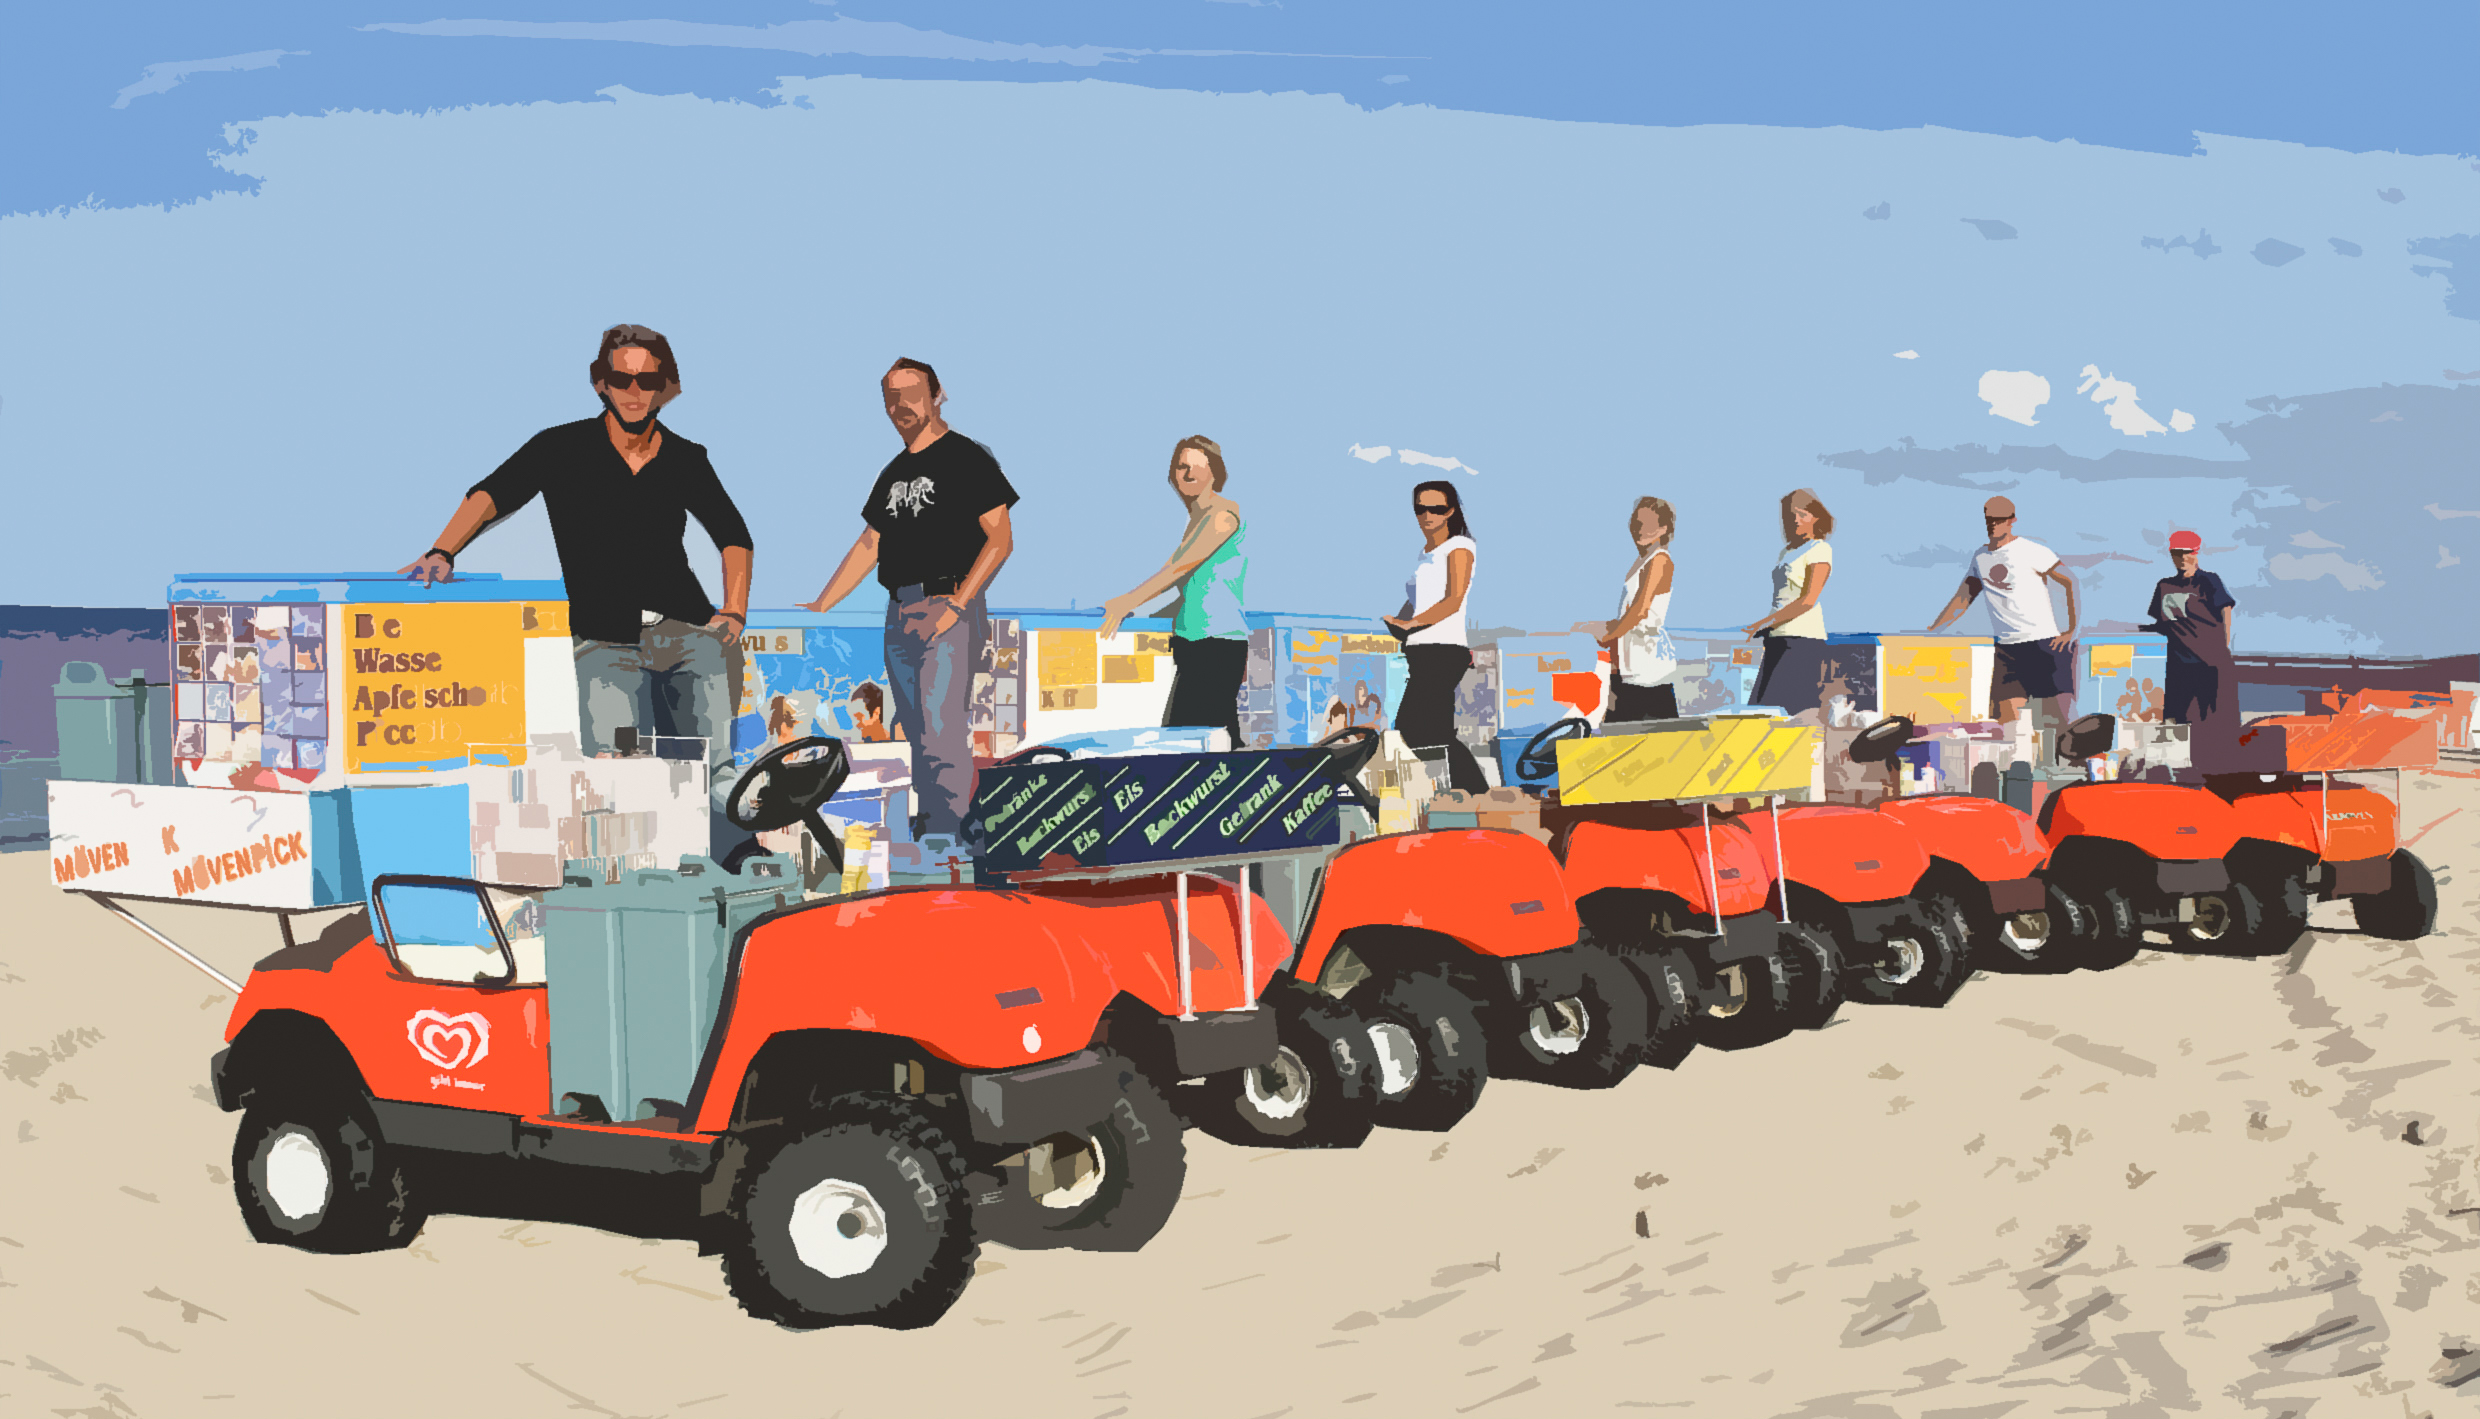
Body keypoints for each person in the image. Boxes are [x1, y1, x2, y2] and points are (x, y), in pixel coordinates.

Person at [402, 323, 752, 853]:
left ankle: (739, 859)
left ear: (664, 387)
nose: (634, 391)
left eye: (647, 380)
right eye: (622, 378)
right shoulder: (560, 447)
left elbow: (733, 536)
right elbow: (492, 495)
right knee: (618, 776)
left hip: (689, 635)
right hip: (606, 642)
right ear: (600, 384)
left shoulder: (687, 457)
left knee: (713, 769)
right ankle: (640, 876)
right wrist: (442, 551)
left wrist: (734, 611)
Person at [801, 359, 1017, 837]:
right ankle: (933, 832)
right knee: (916, 734)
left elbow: (1000, 538)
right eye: (891, 397)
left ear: (938, 395)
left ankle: (950, 837)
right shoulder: (894, 472)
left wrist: (958, 604)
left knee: (941, 733)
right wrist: (822, 603)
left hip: (947, 605)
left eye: (912, 393)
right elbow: (870, 542)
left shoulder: (967, 457)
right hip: (898, 611)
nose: (901, 405)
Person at [1099, 435, 1247, 747]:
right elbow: (1190, 584)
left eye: (1197, 466)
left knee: (1191, 739)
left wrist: (1128, 601)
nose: (1188, 473)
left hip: (1217, 643)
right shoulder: (1195, 520)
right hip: (1190, 641)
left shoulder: (1223, 515)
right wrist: (1142, 615)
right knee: (1213, 740)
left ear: (1215, 473)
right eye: (1182, 467)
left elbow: (1179, 568)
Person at [1925, 494, 2080, 727]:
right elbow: (1963, 598)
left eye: (1999, 520)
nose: (1993, 525)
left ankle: (2083, 750)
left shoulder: (2031, 550)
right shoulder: (1981, 556)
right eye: (1990, 520)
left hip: (2043, 644)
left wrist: (2071, 630)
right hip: (2007, 650)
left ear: (2012, 520)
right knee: (2008, 724)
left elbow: (2070, 581)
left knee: (2061, 719)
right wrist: (1932, 630)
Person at [1384, 480, 1489, 792]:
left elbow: (1453, 599)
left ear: (1451, 511)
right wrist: (1400, 622)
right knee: (1425, 731)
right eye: (1420, 509)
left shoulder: (1459, 546)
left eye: (1436, 508)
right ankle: (1463, 795)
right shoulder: (1426, 553)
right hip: (1421, 650)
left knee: (1418, 730)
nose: (1427, 515)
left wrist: (1412, 624)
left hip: (1443, 650)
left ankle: (1477, 795)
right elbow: (1417, 601)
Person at [2142, 530, 2240, 776]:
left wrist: (2225, 645)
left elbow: (2226, 609)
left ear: (2196, 553)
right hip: (2179, 664)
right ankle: (2177, 772)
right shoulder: (2164, 586)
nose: (2183, 558)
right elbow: (2163, 624)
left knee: (2215, 722)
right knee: (2175, 720)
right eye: (2177, 553)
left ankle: (2218, 770)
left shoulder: (2208, 581)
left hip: (2211, 663)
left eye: (2187, 553)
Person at [1742, 489, 1834, 714]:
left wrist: (1764, 623)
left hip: (1802, 639)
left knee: (1792, 709)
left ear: (1816, 517)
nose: (1795, 520)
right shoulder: (1787, 552)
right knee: (1763, 709)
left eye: (1802, 514)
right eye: (1790, 515)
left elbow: (1808, 600)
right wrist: (1769, 627)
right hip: (1777, 637)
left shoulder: (1819, 549)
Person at [1599, 497, 1681, 722]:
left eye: (1648, 523)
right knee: (1620, 731)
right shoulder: (1641, 561)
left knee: (1655, 733)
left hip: (1647, 668)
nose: (1640, 528)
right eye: (1636, 522)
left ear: (1663, 529)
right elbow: (1629, 612)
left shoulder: (1660, 560)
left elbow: (1641, 609)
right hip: (1629, 665)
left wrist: (1609, 635)